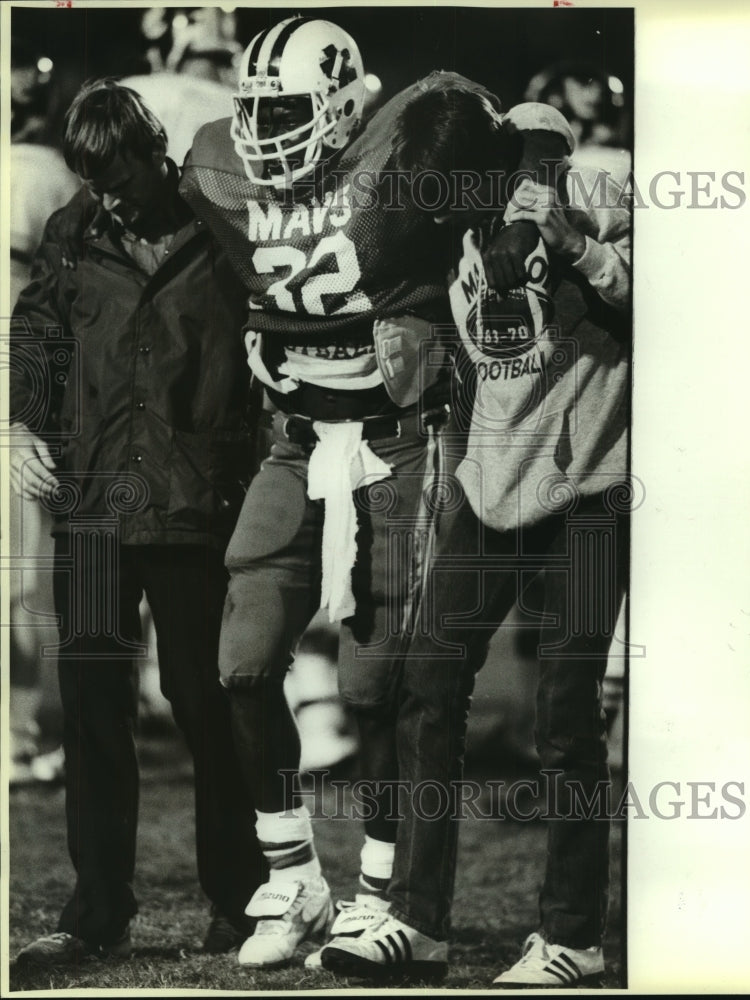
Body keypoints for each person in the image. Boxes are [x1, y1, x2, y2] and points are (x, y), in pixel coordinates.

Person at [178, 16, 496, 969]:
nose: (267, 131)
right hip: (293, 442)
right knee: (239, 662)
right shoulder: (219, 170)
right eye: (256, 110)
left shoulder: (409, 150)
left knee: (378, 684)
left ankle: (380, 893)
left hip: (399, 443)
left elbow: (495, 138)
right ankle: (294, 879)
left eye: (289, 109)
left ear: (348, 105)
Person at [317, 90, 631, 988]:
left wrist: (577, 246)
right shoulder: (454, 225)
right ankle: (419, 920)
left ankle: (572, 934)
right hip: (488, 483)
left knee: (567, 714)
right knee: (428, 684)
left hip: (589, 487)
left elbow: (669, 313)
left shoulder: (602, 189)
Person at [9, 80, 264, 965]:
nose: (104, 193)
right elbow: (37, 333)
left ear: (153, 149)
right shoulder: (73, 231)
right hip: (89, 507)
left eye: (116, 173)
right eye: (89, 177)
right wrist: (16, 427)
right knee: (89, 710)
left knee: (203, 703)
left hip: (193, 507)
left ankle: (240, 900)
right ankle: (96, 913)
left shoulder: (221, 225)